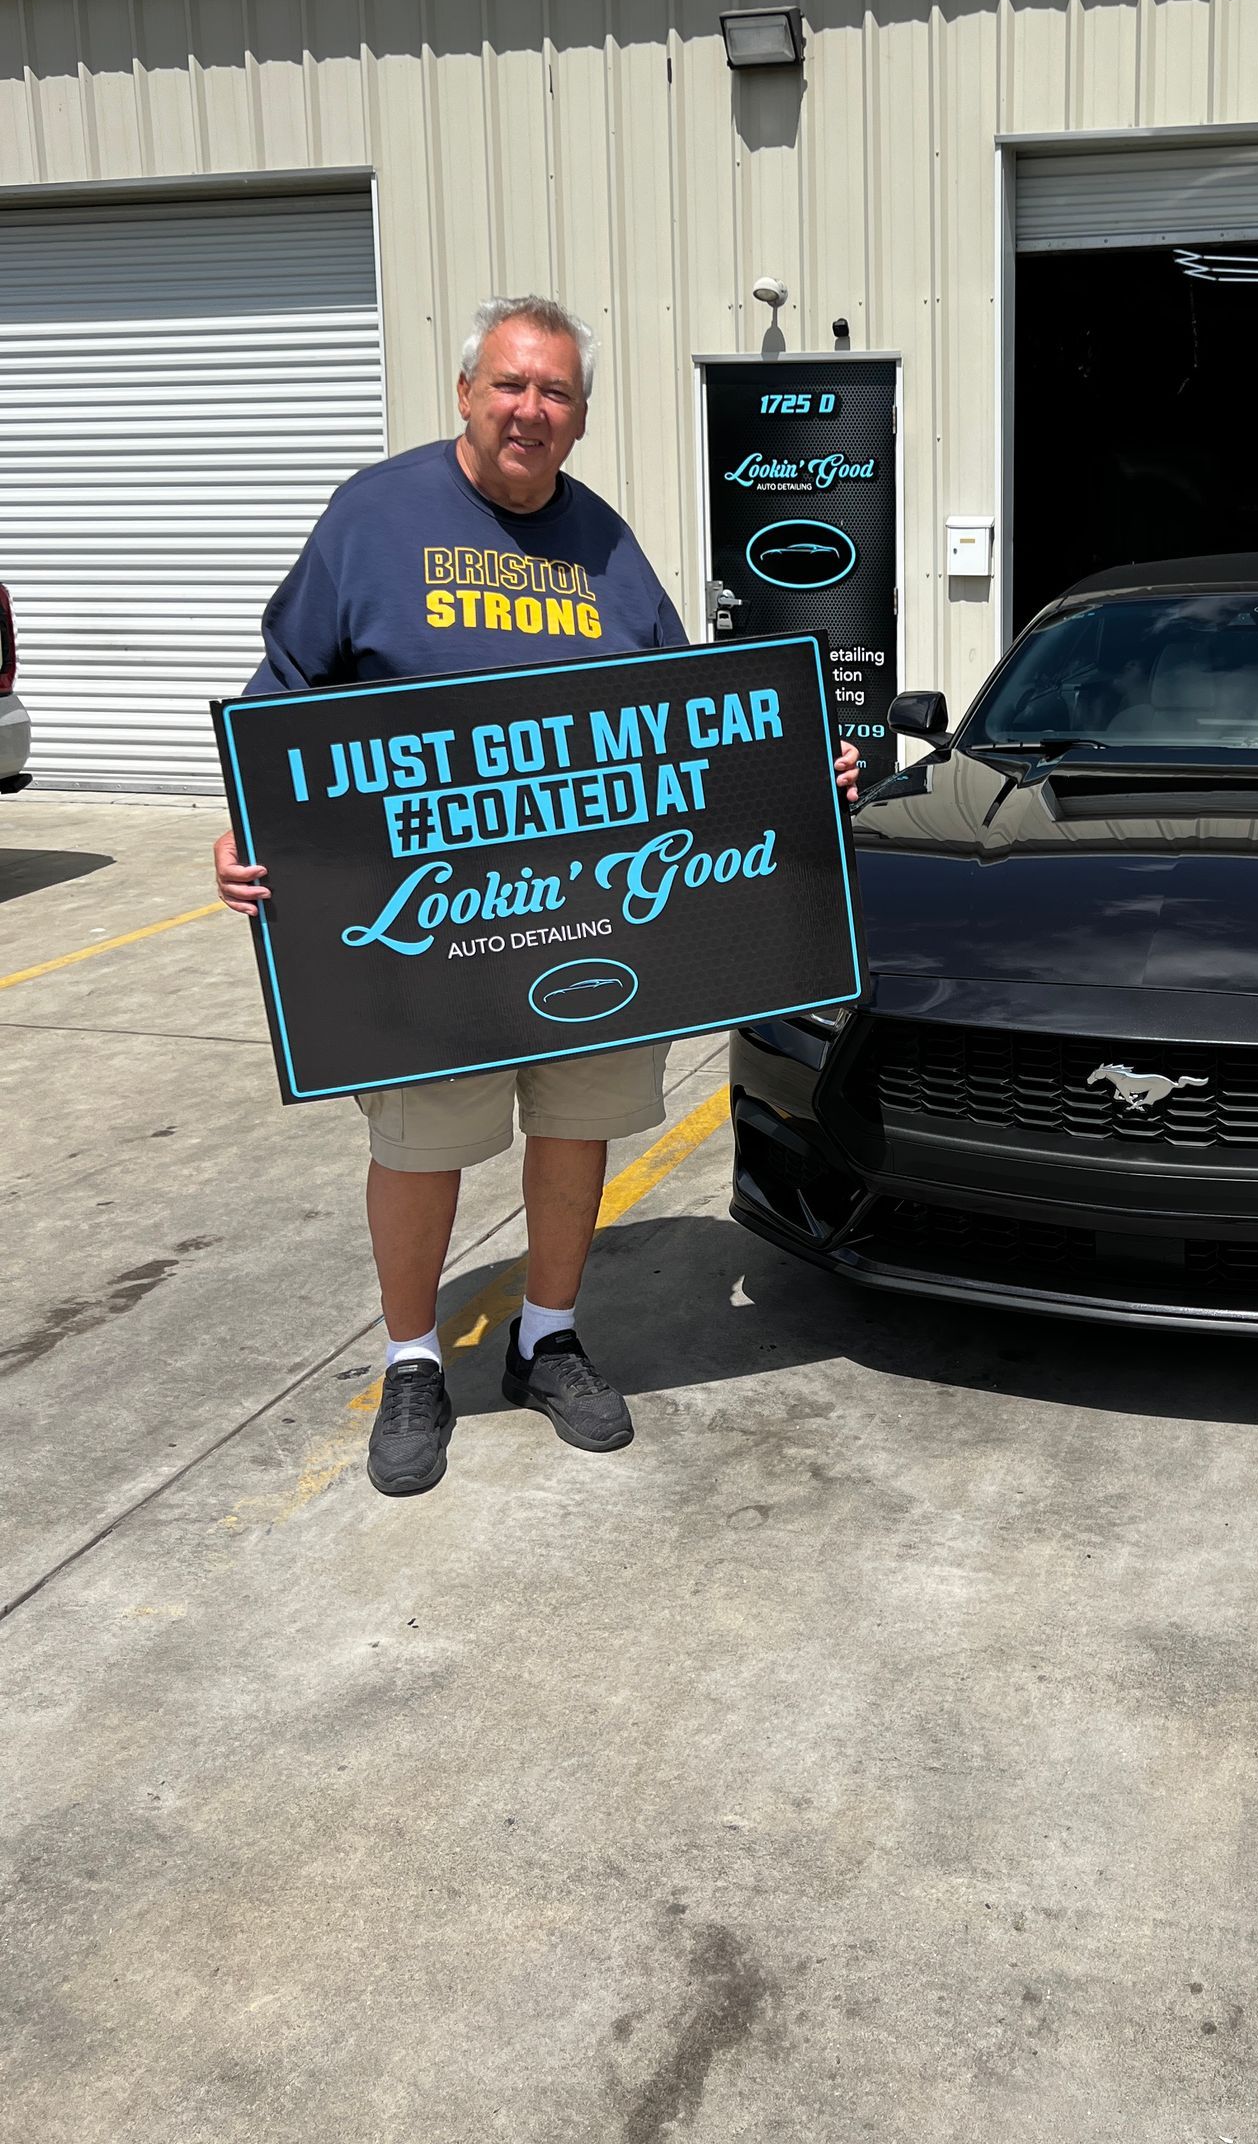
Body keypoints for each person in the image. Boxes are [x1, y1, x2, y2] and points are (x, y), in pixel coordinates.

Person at [215, 295, 859, 1498]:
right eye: (510, 385)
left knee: (576, 1127)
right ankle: (414, 1361)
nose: (530, 410)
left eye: (555, 393)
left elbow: (690, 713)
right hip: (433, 926)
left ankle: (545, 1335)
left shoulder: (608, 546)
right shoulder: (374, 518)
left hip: (597, 925)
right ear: (466, 391)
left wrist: (793, 770)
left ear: (579, 417)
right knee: (422, 1144)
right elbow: (287, 690)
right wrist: (250, 828)